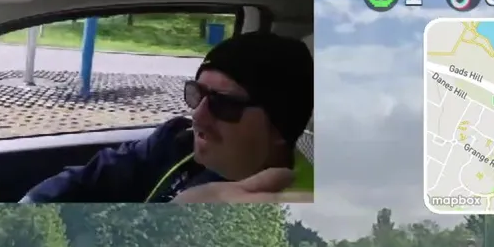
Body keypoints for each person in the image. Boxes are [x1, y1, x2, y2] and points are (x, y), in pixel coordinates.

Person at [21, 31, 313, 204]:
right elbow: (95, 178)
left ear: (280, 126)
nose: (198, 116)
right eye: (197, 94)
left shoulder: (297, 205)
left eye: (224, 104)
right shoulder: (177, 140)